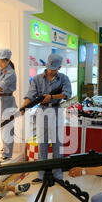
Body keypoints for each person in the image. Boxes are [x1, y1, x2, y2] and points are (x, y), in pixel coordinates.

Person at [21, 53, 72, 183]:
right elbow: (30, 95)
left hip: (56, 110)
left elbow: (67, 94)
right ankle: (41, 174)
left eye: (54, 68)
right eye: (49, 67)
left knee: (57, 145)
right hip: (42, 111)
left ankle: (58, 175)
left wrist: (52, 97)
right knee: (42, 145)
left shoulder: (64, 79)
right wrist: (24, 106)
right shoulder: (37, 79)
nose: (50, 71)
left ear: (59, 67)